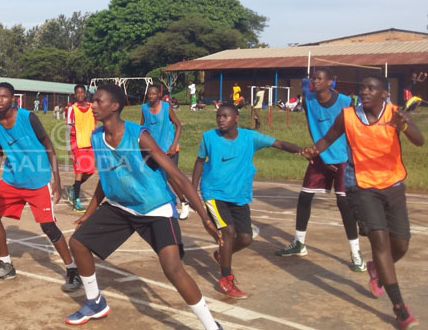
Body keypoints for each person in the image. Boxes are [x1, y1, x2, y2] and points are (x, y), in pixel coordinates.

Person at [65, 84, 223, 329]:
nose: (93, 105)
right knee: (78, 243)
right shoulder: (97, 137)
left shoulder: (139, 136)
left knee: (172, 268)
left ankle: (211, 326)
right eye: (92, 100)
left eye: (98, 101)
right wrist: (90, 212)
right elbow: (107, 177)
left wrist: (205, 218)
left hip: (154, 207)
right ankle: (95, 302)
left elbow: (178, 177)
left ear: (114, 106)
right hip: (121, 206)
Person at [301, 73, 423, 330]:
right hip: (361, 186)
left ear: (384, 94)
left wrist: (404, 126)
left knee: (401, 244)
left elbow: (419, 140)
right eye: (362, 88)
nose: (364, 92)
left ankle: (376, 269)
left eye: (371, 88)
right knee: (380, 241)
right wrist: (315, 149)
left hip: (392, 185)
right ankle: (400, 309)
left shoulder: (395, 113)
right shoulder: (347, 116)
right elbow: (328, 138)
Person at [192, 104, 303, 299]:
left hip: (238, 194)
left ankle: (222, 255)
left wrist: (302, 151)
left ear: (236, 118)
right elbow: (200, 162)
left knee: (245, 238)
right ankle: (226, 279)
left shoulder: (250, 138)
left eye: (225, 116)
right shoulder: (209, 137)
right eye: (218, 116)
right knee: (228, 232)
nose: (221, 119)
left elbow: (278, 144)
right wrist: (192, 189)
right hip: (213, 193)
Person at [0, 82, 82, 293]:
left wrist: (57, 180)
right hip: (12, 180)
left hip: (38, 179)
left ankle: (72, 269)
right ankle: (6, 265)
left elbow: (48, 145)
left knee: (48, 226)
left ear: (13, 99)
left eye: (4, 96)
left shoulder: (28, 118)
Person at [276, 68, 365, 271]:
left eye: (319, 78)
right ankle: (299, 243)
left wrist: (350, 157)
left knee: (344, 204)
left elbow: (354, 131)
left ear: (330, 81)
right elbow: (312, 127)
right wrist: (317, 153)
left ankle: (355, 252)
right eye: (312, 78)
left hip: (343, 158)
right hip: (320, 155)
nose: (314, 81)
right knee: (304, 197)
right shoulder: (309, 100)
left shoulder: (345, 102)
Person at [140, 84, 190, 219]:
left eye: (154, 94)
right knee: (153, 176)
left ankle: (184, 202)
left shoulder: (166, 108)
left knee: (170, 176)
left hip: (168, 148)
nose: (151, 96)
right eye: (149, 94)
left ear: (159, 95)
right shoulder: (144, 108)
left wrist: (173, 146)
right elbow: (142, 128)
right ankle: (165, 202)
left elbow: (178, 126)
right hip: (152, 149)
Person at [65, 84, 97, 212]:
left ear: (85, 94)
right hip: (77, 144)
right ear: (75, 95)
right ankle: (76, 201)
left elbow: (96, 122)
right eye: (77, 92)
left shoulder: (92, 107)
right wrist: (69, 149)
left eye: (81, 92)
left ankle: (73, 188)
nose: (80, 94)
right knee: (79, 172)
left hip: (90, 144)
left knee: (89, 172)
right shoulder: (72, 109)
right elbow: (68, 129)